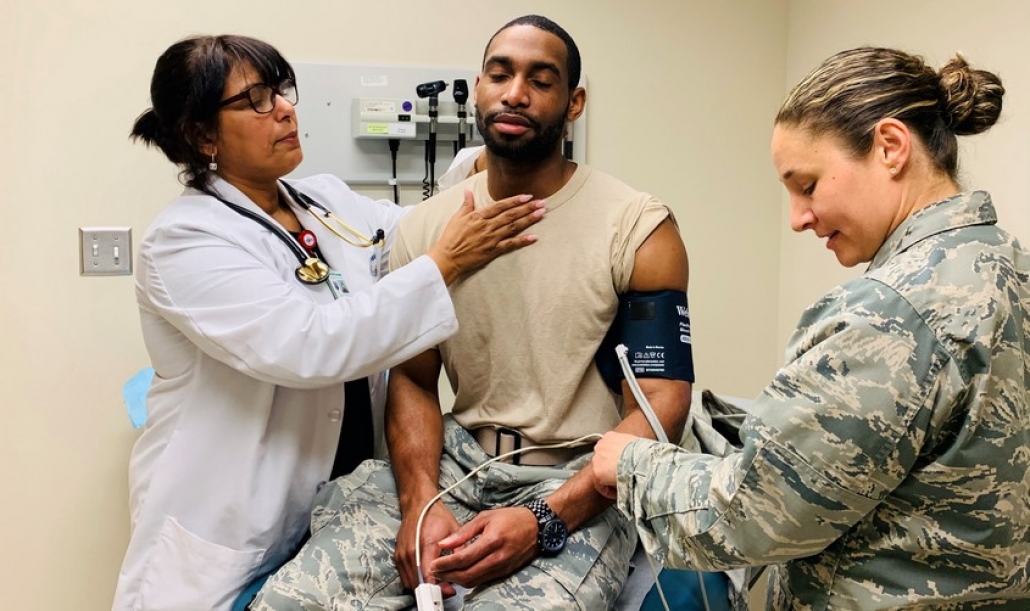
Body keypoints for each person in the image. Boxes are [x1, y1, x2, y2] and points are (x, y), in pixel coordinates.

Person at [254, 14, 693, 610]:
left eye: (541, 80)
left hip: (579, 476)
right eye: (500, 74)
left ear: (574, 103)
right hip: (457, 466)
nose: (516, 93)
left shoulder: (637, 228)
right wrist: (419, 502)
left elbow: (662, 404)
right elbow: (413, 378)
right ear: (479, 87)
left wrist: (545, 517)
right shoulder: (428, 230)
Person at [112, 34, 547, 611]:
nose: (284, 110)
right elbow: (310, 345)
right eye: (256, 100)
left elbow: (416, 230)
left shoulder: (323, 201)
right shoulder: (185, 240)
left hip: (339, 515)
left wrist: (493, 156)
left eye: (281, 91)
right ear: (202, 135)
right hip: (229, 533)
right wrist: (444, 264)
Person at [591, 47, 1030, 609]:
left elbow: (753, 516)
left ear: (890, 147)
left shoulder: (889, 312)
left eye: (807, 185)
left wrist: (631, 464)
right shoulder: (1009, 267)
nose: (798, 218)